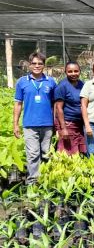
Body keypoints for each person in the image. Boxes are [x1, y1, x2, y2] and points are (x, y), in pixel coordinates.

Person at [13, 52, 57, 184]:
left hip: (47, 124)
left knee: (46, 154)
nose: (37, 66)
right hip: (29, 124)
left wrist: (56, 123)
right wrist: (15, 124)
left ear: (44, 65)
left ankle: (46, 181)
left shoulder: (51, 81)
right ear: (29, 65)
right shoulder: (22, 82)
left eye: (40, 63)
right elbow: (18, 104)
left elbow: (55, 104)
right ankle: (33, 183)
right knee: (32, 154)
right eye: (34, 63)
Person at [54, 62, 86, 155]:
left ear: (80, 71)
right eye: (70, 71)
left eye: (76, 71)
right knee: (67, 152)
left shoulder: (81, 84)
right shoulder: (62, 86)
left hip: (79, 124)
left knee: (79, 152)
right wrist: (63, 128)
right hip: (68, 123)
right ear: (65, 72)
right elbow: (58, 108)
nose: (73, 74)